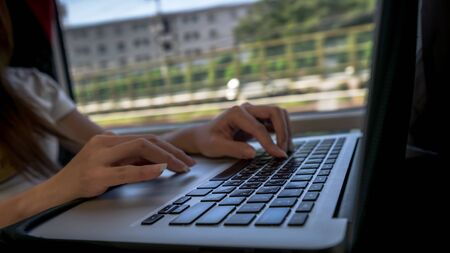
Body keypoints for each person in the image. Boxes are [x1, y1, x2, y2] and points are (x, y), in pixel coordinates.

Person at [0, 2, 293, 228]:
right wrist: (51, 191)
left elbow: (118, 151)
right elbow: (64, 184)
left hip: (64, 223)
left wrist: (199, 135)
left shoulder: (31, 86)